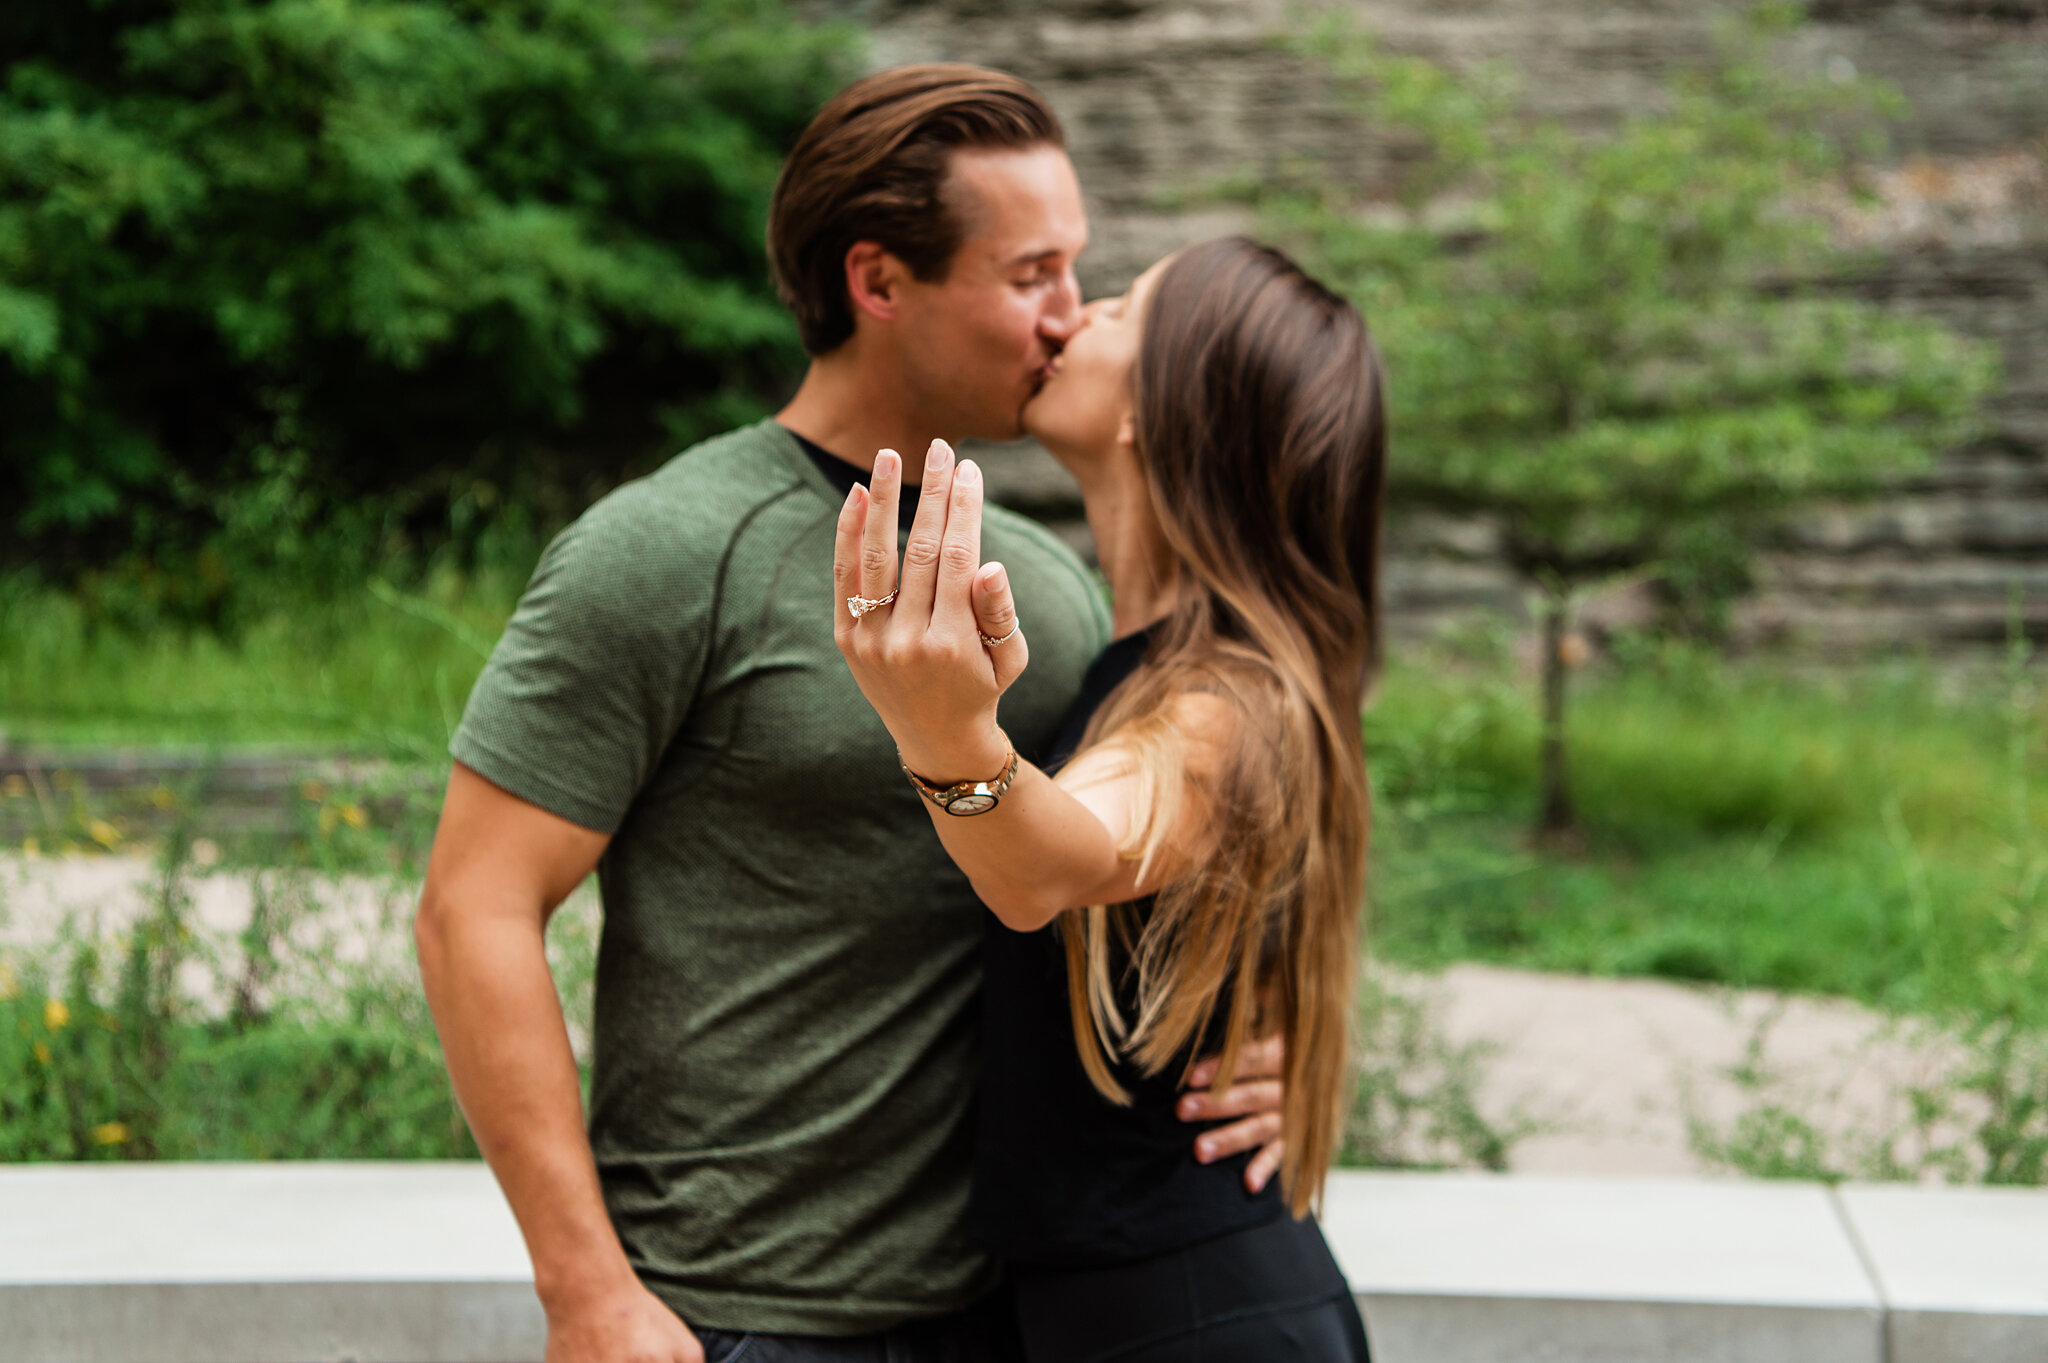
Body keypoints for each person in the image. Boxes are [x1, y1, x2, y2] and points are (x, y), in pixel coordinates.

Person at [414, 67, 1288, 1363]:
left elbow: (1152, 847)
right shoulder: (666, 549)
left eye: (1078, 271)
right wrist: (584, 1286)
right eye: (1030, 273)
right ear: (878, 283)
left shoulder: (1045, 583)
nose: (1068, 318)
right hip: (728, 1315)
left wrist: (1259, 1047)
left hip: (1011, 1314)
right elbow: (472, 906)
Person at [833, 235, 1388, 1362]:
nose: (1072, 316)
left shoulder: (1228, 703)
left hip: (1189, 1318)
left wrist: (945, 731)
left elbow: (1056, 858)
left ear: (1158, 410)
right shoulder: (1141, 666)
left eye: (1120, 309)